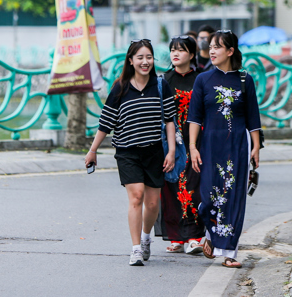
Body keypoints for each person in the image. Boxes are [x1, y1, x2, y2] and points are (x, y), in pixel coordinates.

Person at [85, 39, 176, 267]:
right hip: (127, 152)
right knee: (136, 197)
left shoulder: (161, 86)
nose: (145, 62)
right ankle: (136, 249)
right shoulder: (120, 87)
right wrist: (93, 150)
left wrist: (172, 151)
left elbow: (170, 121)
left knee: (152, 204)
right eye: (140, 58)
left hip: (154, 151)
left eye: (149, 57)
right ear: (131, 61)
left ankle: (146, 238)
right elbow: (106, 122)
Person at [188, 30, 261, 267]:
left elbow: (253, 117)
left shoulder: (245, 80)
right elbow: (194, 117)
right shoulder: (203, 79)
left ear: (230, 51)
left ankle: (229, 252)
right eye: (210, 46)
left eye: (217, 47)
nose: (211, 51)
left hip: (237, 145)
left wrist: (256, 146)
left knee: (233, 196)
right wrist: (193, 147)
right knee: (209, 197)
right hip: (209, 145)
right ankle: (211, 234)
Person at [158, 35, 205, 255]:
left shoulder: (201, 79)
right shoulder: (164, 81)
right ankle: (177, 237)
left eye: (181, 50)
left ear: (192, 54)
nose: (175, 54)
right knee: (172, 188)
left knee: (194, 190)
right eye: (173, 50)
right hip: (172, 143)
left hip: (197, 142)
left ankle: (194, 237)